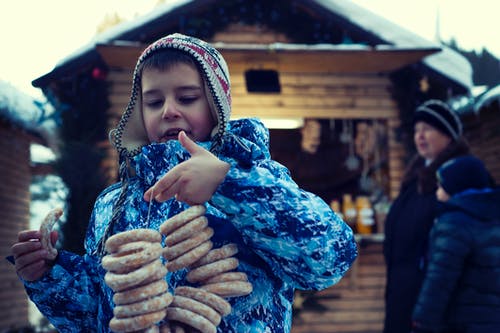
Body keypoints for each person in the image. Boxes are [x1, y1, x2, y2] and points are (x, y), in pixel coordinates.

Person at [10, 33, 357, 333]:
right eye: (154, 101)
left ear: (217, 106)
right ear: (139, 112)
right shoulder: (112, 204)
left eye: (187, 98)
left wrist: (227, 183)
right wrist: (50, 276)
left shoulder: (257, 179)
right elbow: (100, 312)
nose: (169, 111)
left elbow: (328, 258)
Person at [383, 99, 470, 333]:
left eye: (428, 129)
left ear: (448, 136)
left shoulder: (457, 178)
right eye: (417, 130)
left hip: (431, 301)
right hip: (402, 292)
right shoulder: (414, 179)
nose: (420, 136)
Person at [411, 155, 500, 333]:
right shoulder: (493, 217)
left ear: (456, 186)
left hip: (461, 322)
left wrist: (422, 322)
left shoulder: (453, 223)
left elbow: (440, 279)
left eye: (441, 186)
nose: (437, 192)